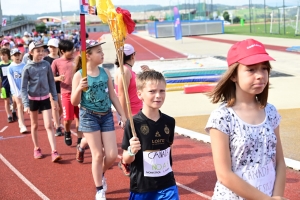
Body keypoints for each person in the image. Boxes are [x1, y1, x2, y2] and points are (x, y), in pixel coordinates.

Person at [205, 39, 287, 200]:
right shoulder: (222, 117)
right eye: (251, 70)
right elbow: (224, 175)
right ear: (234, 75)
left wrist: (277, 196)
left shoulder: (270, 112)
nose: (260, 76)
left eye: (264, 68)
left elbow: (280, 162)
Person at [71, 40, 127, 200]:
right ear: (87, 55)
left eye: (102, 51)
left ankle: (100, 173)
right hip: (89, 116)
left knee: (111, 155)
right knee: (97, 154)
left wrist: (122, 115)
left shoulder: (105, 72)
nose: (102, 54)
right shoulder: (79, 75)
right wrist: (78, 88)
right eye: (98, 52)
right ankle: (99, 189)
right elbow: (74, 102)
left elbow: (113, 95)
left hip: (106, 115)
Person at [121, 70, 179, 200]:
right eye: (152, 91)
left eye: (162, 91)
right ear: (140, 94)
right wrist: (131, 151)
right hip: (142, 187)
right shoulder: (133, 124)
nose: (158, 95)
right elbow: (126, 158)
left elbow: (169, 147)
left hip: (167, 185)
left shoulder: (169, 122)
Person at [21, 41, 62, 162]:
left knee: (49, 125)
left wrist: (54, 99)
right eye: (37, 51)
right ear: (31, 52)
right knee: (35, 125)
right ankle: (36, 148)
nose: (41, 53)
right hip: (32, 99)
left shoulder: (46, 65)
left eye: (42, 50)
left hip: (45, 98)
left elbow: (51, 82)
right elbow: (23, 88)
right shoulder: (27, 68)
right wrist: (26, 104)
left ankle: (54, 151)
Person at [114, 43, 149, 176]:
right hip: (131, 112)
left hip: (136, 110)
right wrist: (124, 116)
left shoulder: (128, 70)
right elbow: (122, 94)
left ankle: (130, 163)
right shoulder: (125, 71)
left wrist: (148, 73)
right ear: (133, 55)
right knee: (134, 141)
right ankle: (124, 162)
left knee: (138, 140)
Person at [51, 39, 81, 146]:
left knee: (79, 117)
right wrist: (58, 78)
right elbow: (50, 77)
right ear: (62, 51)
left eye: (73, 49)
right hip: (66, 93)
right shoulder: (56, 62)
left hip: (79, 92)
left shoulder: (77, 59)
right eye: (69, 50)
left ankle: (80, 138)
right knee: (68, 119)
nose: (72, 52)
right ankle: (67, 132)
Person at [44, 38, 63, 136]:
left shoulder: (62, 58)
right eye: (51, 47)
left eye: (54, 47)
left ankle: (57, 120)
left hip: (62, 87)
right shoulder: (46, 60)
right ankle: (58, 127)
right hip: (51, 87)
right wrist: (57, 78)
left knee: (61, 109)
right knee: (55, 107)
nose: (52, 49)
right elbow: (46, 76)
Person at [7, 48, 27, 133]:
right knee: (19, 105)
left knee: (22, 107)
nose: (17, 57)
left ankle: (18, 117)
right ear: (11, 57)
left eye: (18, 54)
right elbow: (11, 81)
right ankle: (22, 125)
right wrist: (17, 92)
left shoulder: (24, 65)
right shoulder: (10, 68)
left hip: (24, 90)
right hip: (15, 90)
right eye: (15, 55)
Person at [0, 48, 17, 123]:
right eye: (1, 55)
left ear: (8, 55)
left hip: (13, 85)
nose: (2, 57)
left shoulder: (12, 63)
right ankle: (9, 116)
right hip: (4, 85)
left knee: (14, 100)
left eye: (4, 55)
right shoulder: (0, 65)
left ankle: (13, 111)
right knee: (6, 101)